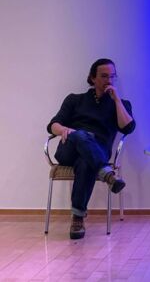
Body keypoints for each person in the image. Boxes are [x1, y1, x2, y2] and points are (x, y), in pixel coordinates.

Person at [47, 58, 136, 239]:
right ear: (92, 78)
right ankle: (106, 173)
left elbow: (128, 128)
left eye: (112, 76)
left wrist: (116, 100)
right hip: (68, 149)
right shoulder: (75, 99)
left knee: (85, 163)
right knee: (80, 135)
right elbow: (52, 125)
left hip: (98, 151)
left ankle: (77, 218)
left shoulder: (121, 104)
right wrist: (64, 130)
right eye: (104, 76)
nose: (109, 81)